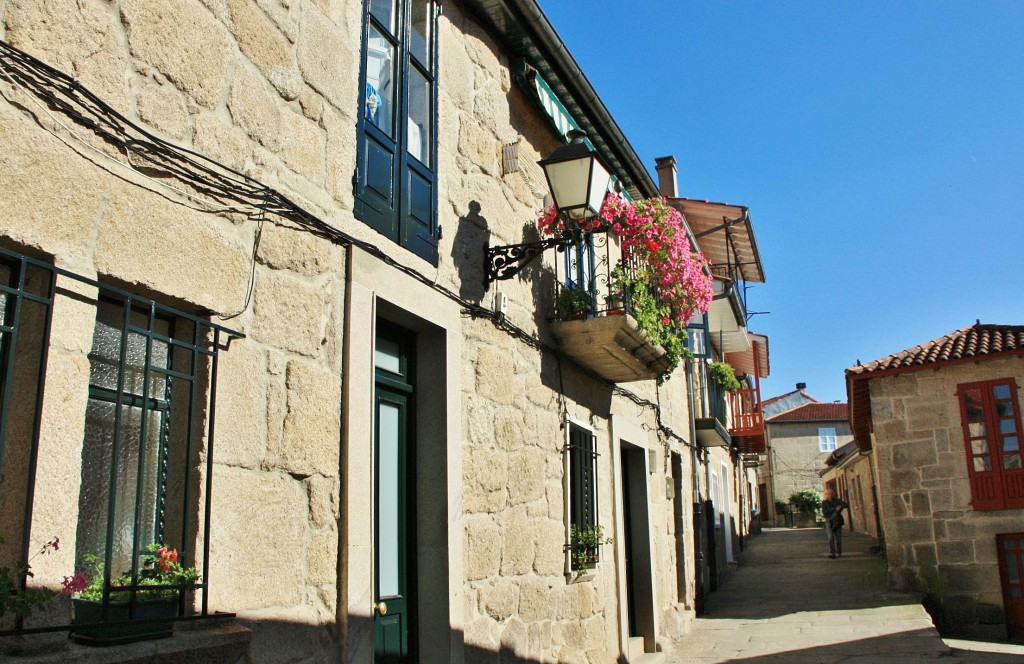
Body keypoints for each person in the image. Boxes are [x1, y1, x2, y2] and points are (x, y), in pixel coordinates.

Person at [822, 488, 849, 559]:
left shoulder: (837, 501)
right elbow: (825, 512)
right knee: (830, 538)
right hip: (829, 521)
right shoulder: (824, 503)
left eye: (831, 493)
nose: (830, 495)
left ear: (833, 494)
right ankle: (832, 553)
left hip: (837, 521)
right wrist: (834, 509)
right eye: (828, 494)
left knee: (838, 538)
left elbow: (846, 505)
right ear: (826, 495)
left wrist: (840, 506)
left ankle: (839, 552)